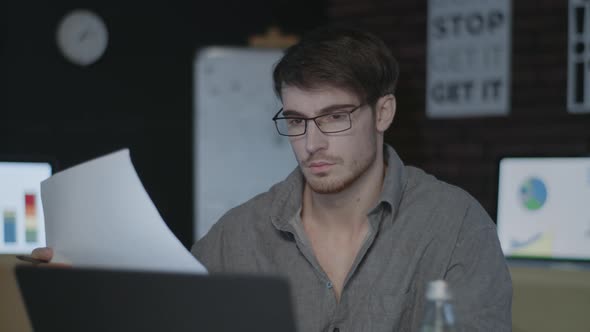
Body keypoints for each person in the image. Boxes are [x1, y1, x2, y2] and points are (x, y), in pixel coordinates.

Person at [33, 27, 512, 331]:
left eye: (334, 117)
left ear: (382, 111)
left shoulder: (456, 226)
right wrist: (85, 294)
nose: (312, 142)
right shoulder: (236, 235)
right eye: (297, 120)